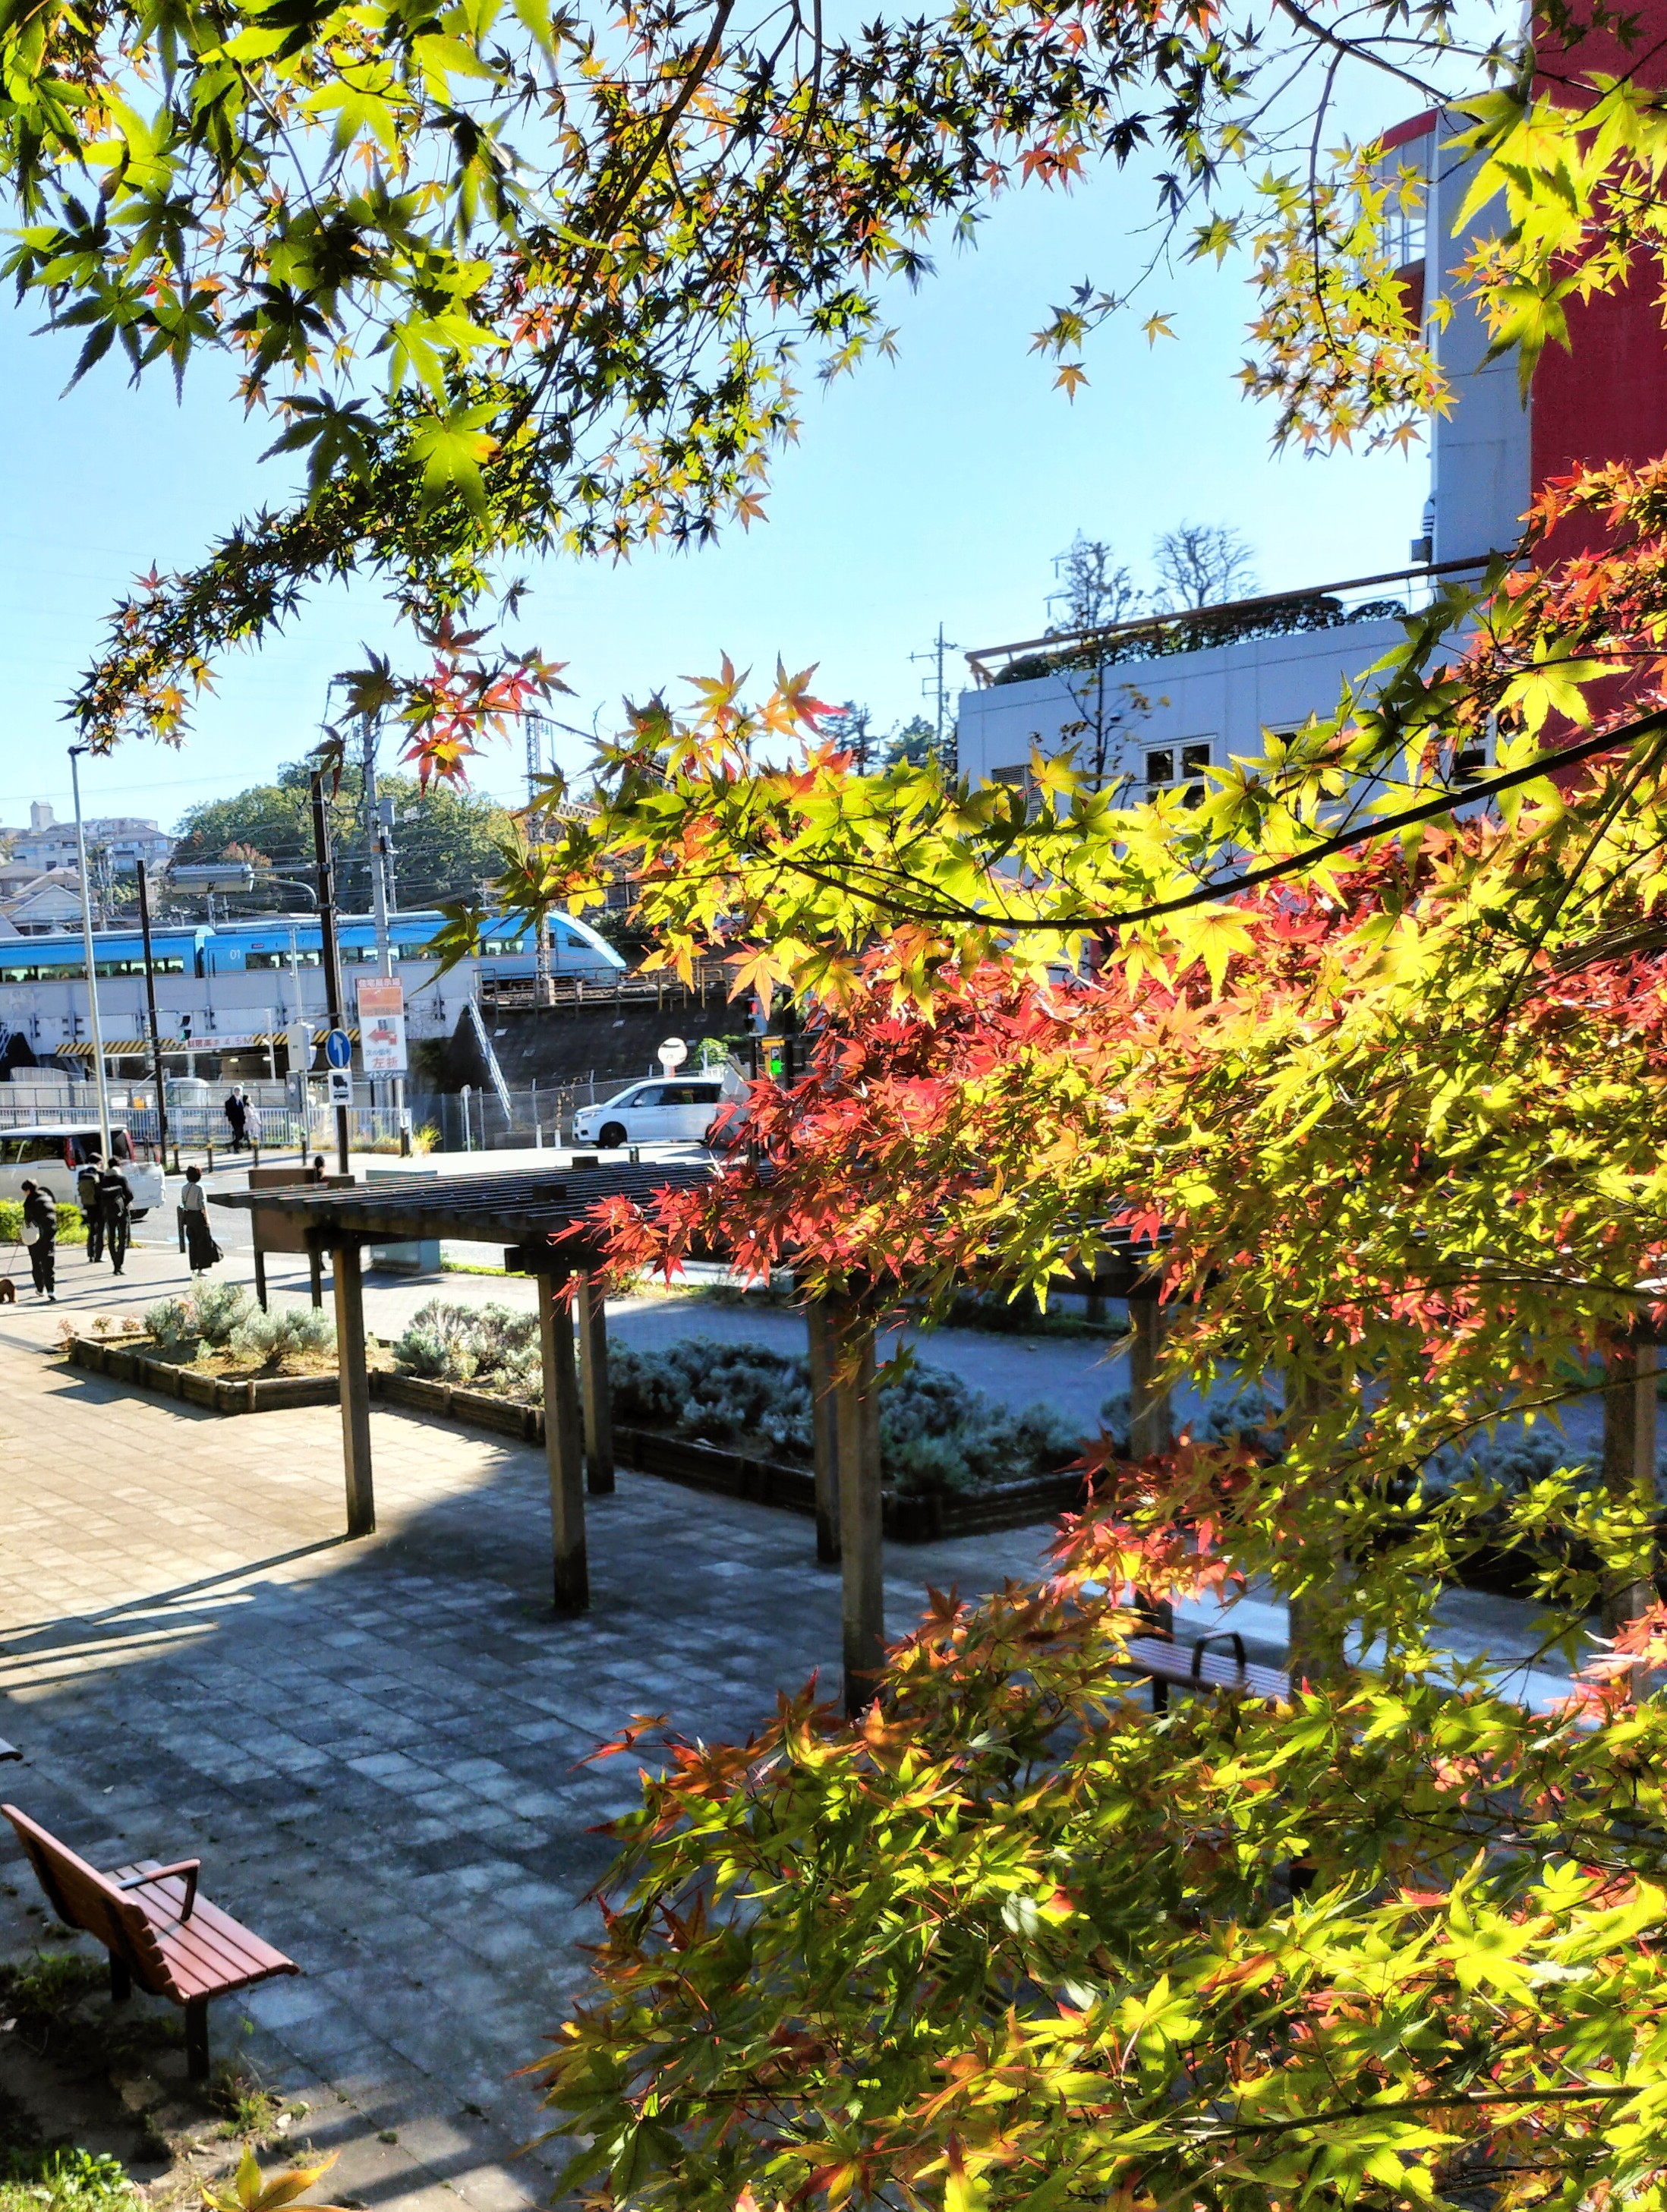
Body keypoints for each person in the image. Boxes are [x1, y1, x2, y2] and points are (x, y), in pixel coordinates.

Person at [93, 1159, 134, 1276]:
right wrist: (124, 1204)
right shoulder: (121, 1179)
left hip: (109, 1213)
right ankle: (119, 1265)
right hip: (122, 1212)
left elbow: (97, 1197)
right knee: (123, 1239)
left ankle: (115, 1264)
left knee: (111, 1239)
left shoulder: (103, 1180)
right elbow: (130, 1195)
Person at [20, 1178, 56, 1302]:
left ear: (28, 1191)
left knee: (37, 1262)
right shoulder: (47, 1197)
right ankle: (51, 1290)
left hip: (36, 1235)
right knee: (48, 1261)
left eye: (25, 1191)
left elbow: (28, 1219)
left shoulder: (30, 1201)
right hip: (50, 1234)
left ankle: (40, 1288)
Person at [180, 1164, 218, 1275]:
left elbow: (182, 1203)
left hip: (189, 1217)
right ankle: (201, 1269)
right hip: (199, 1217)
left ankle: (193, 1268)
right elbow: (202, 1205)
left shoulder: (184, 1188)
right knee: (202, 1243)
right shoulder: (199, 1188)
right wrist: (207, 1220)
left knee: (192, 1243)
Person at [77, 1145, 104, 1262]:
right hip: (99, 1205)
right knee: (100, 1231)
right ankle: (98, 1256)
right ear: (99, 1163)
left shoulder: (81, 1173)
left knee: (91, 1230)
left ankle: (90, 1255)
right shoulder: (100, 1174)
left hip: (87, 1204)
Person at [225, 1086, 248, 1151]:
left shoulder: (242, 1099)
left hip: (241, 1120)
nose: (238, 1092)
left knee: (241, 1134)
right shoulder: (231, 1100)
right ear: (234, 1092)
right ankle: (237, 1148)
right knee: (237, 1133)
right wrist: (229, 1119)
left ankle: (230, 1145)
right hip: (234, 1120)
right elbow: (229, 1111)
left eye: (239, 1091)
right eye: (236, 1091)